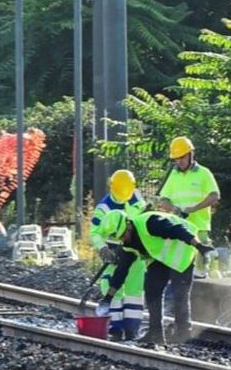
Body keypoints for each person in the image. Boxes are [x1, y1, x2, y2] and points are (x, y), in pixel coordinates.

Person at [96, 208, 216, 345]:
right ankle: (156, 333)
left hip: (182, 251)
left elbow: (178, 229)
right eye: (120, 238)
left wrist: (200, 246)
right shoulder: (127, 245)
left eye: (124, 234)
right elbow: (121, 272)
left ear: (128, 224)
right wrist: (107, 299)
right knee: (152, 290)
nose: (124, 239)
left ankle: (183, 334)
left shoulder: (150, 223)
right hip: (161, 258)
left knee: (180, 293)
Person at [88, 169, 148, 340]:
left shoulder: (137, 200)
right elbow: (95, 232)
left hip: (135, 253)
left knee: (134, 291)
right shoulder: (104, 207)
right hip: (113, 253)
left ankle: (132, 329)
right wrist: (103, 249)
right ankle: (116, 328)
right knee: (112, 289)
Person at [157, 136, 221, 279]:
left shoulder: (204, 173)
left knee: (202, 256)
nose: (179, 161)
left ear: (191, 154)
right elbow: (163, 200)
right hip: (179, 225)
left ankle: (204, 280)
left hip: (199, 225)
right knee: (179, 262)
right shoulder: (173, 175)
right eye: (176, 158)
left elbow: (214, 195)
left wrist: (195, 208)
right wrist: (174, 209)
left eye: (182, 157)